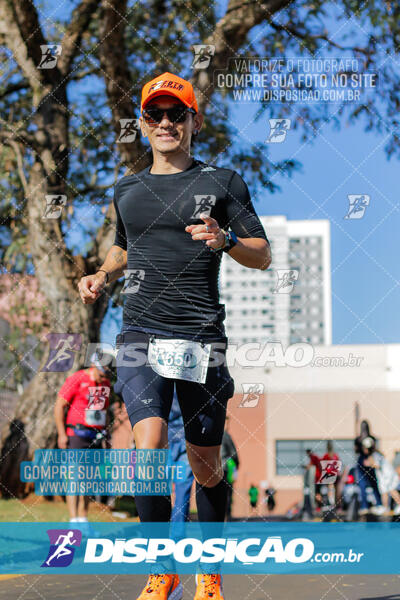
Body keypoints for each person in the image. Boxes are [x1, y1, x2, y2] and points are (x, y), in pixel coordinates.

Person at [77, 71, 271, 600]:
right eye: (155, 114)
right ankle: (161, 568)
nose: (165, 122)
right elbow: (123, 247)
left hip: (201, 337)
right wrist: (102, 273)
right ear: (142, 124)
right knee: (148, 447)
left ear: (193, 122)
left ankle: (209, 569)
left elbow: (263, 253)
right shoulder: (127, 190)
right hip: (140, 331)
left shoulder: (224, 182)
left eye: (176, 114)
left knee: (205, 465)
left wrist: (226, 238)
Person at [54, 353, 111, 524]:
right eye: (102, 373)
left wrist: (107, 435)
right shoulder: (77, 378)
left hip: (94, 436)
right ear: (94, 366)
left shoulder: (105, 383)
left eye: (107, 374)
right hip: (76, 435)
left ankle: (83, 519)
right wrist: (62, 434)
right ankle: (73, 520)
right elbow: (59, 406)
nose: (104, 377)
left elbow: (104, 412)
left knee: (89, 478)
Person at [168, 389, 194, 524]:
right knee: (183, 489)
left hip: (163, 437)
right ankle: (177, 533)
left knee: (159, 485)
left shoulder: (159, 374)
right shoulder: (192, 375)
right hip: (186, 437)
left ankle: (158, 533)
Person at [221, 415, 240, 521]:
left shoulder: (209, 433)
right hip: (226, 468)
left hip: (212, 468)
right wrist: (236, 466)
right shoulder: (226, 435)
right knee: (227, 494)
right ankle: (227, 517)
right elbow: (234, 454)